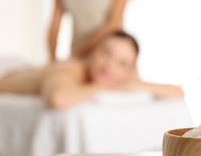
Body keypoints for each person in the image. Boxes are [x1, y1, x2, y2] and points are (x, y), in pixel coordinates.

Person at [0, 31, 184, 109]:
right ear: (94, 51)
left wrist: (137, 84)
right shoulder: (71, 70)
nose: (109, 66)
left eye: (122, 63)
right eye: (106, 54)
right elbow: (58, 99)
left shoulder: (122, 77)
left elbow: (177, 92)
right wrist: (101, 86)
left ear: (129, 70)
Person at [49, 0, 134, 61]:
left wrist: (75, 56)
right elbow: (54, 26)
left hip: (111, 59)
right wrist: (53, 61)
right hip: (78, 58)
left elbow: (114, 23)